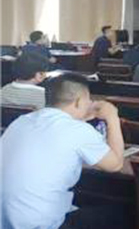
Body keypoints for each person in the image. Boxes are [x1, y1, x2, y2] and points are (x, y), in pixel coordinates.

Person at [1, 73, 125, 229]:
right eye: (88, 99)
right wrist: (112, 117)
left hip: (5, 220)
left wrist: (78, 119)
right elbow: (115, 164)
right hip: (40, 224)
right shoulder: (79, 130)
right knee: (121, 213)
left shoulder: (21, 121)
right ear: (79, 102)